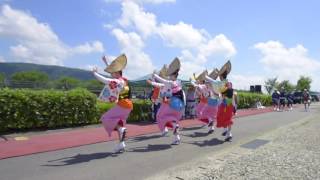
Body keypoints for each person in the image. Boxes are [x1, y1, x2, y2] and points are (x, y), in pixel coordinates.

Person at [93, 54, 133, 153]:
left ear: (118, 73)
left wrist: (95, 73)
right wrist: (105, 62)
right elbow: (112, 73)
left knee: (106, 118)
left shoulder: (118, 82)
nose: (111, 74)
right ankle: (121, 144)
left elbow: (106, 80)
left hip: (122, 105)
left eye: (113, 73)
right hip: (128, 106)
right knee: (119, 122)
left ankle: (121, 131)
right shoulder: (124, 81)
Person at [152, 58, 185, 145]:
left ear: (173, 76)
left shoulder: (173, 82)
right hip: (178, 105)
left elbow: (164, 82)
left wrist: (155, 76)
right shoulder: (178, 82)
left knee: (159, 115)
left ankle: (164, 129)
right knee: (171, 119)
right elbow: (163, 87)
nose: (169, 76)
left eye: (170, 75)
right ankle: (176, 137)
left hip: (173, 103)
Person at [206, 61, 234, 141]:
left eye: (219, 76)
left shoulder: (220, 83)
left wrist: (205, 76)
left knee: (220, 117)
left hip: (224, 104)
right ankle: (229, 133)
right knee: (228, 119)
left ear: (221, 76)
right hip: (230, 104)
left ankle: (226, 131)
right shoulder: (229, 83)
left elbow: (212, 81)